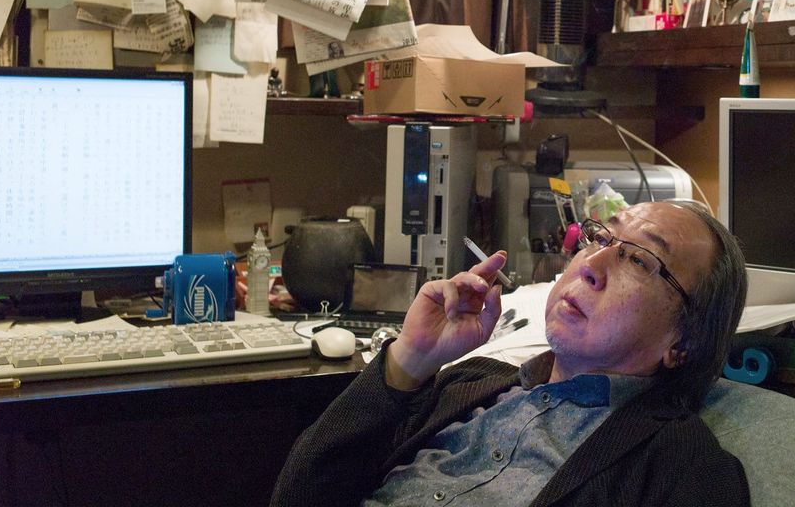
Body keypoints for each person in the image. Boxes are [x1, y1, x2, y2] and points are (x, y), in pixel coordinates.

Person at [272, 200, 750, 507]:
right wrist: (409, 361)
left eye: (642, 261)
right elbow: (300, 495)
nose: (592, 265)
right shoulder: (468, 383)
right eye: (602, 238)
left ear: (682, 344)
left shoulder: (682, 466)